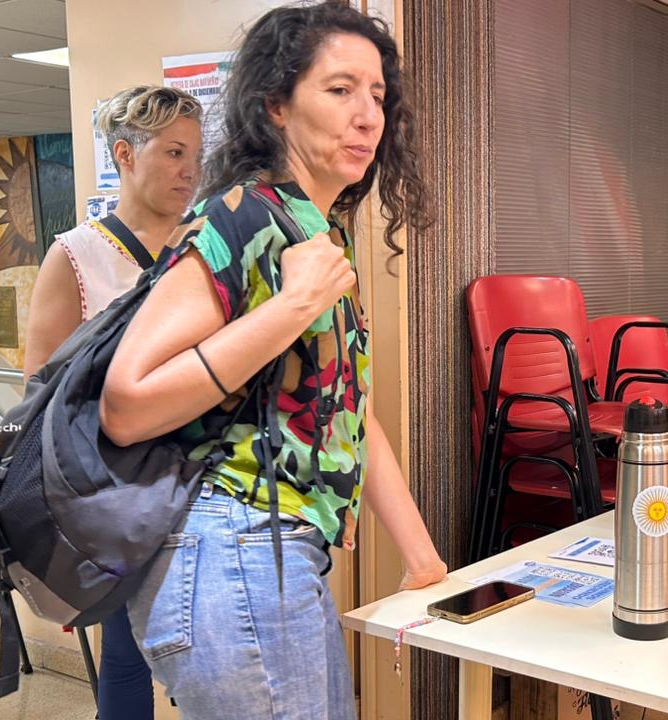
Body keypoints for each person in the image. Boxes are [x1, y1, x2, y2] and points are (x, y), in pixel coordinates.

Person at [98, 3, 444, 718]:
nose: (367, 116)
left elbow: (346, 410)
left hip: (276, 556)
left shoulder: (312, 230)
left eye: (378, 95)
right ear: (276, 106)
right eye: (340, 90)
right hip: (233, 547)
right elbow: (126, 404)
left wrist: (422, 556)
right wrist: (291, 307)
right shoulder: (241, 216)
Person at [23, 84, 203, 720]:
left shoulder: (207, 247)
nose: (190, 171)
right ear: (125, 154)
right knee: (126, 658)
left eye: (197, 155)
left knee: (207, 656)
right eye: (174, 152)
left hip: (207, 482)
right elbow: (39, 396)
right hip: (122, 493)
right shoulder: (77, 256)